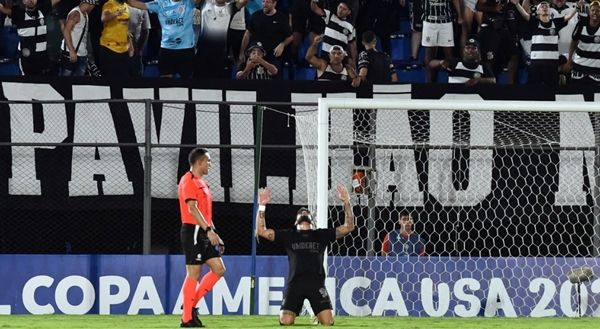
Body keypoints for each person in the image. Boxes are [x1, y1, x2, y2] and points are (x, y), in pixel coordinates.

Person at [255, 185, 355, 326]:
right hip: (295, 284)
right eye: (301, 212)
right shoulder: (288, 235)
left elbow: (348, 227)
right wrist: (262, 206)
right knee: (285, 321)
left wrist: (346, 202)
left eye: (306, 212)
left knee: (328, 322)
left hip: (316, 284)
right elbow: (261, 231)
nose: (303, 212)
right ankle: (300, 309)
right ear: (296, 221)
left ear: (311, 220)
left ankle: (317, 312)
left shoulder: (320, 234)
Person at [177, 148, 226, 327]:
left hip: (204, 231)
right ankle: (186, 319)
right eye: (208, 161)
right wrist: (208, 230)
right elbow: (192, 209)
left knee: (219, 269)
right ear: (199, 162)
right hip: (194, 231)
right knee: (194, 273)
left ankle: (189, 306)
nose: (210, 164)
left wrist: (214, 232)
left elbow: (205, 212)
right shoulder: (188, 180)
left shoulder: (202, 183)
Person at [512, 0, 577, 86]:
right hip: (536, 65)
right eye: (542, 6)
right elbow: (525, 14)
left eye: (546, 6)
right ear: (538, 11)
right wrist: (517, 4)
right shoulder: (534, 22)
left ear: (550, 10)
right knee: (534, 91)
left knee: (551, 90)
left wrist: (577, 8)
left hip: (552, 65)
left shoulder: (556, 23)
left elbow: (568, 17)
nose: (544, 7)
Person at [127, 0, 198, 78]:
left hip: (186, 49)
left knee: (187, 84)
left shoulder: (188, 2)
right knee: (165, 85)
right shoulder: (160, 3)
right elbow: (140, 5)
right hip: (167, 50)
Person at [0, 0, 63, 76]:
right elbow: (3, 9)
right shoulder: (19, 14)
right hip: (27, 59)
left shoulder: (42, 10)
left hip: (43, 57)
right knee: (27, 82)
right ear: (23, 1)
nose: (31, 1)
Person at [239, 0, 293, 78]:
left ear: (274, 3)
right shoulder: (256, 16)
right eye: (263, 1)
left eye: (267, 2)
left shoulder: (282, 18)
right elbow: (247, 34)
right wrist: (242, 52)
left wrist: (282, 44)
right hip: (256, 54)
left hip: (273, 57)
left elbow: (290, 36)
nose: (264, 4)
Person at [421, 0, 463, 82]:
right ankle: (429, 83)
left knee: (449, 56)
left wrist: (460, 15)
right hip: (429, 21)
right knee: (429, 56)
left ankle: (453, 80)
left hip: (446, 21)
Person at [310, 0, 357, 68]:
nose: (340, 10)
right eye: (340, 7)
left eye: (344, 9)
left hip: (340, 60)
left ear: (349, 12)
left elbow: (353, 46)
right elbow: (315, 9)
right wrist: (313, 1)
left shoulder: (351, 27)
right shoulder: (330, 16)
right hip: (325, 57)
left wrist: (354, 62)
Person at [429, 37, 496, 84]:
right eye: (468, 48)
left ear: (478, 51)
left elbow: (493, 80)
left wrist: (479, 81)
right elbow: (431, 64)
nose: (470, 51)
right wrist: (441, 62)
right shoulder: (455, 62)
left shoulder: (482, 66)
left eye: (473, 48)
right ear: (463, 50)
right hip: (453, 97)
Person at [59, 0, 97, 76]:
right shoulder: (75, 14)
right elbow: (66, 31)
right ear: (90, 4)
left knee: (78, 83)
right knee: (64, 82)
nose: (93, 7)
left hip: (81, 55)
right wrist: (72, 51)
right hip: (71, 54)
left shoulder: (85, 14)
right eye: (93, 5)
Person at [567, 0, 600, 85]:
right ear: (589, 11)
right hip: (579, 68)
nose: (595, 13)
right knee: (576, 96)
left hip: (596, 70)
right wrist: (569, 59)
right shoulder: (582, 23)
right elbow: (574, 42)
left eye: (598, 11)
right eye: (592, 10)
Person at [99, 0, 132, 77]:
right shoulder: (109, 4)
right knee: (109, 78)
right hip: (109, 48)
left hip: (124, 49)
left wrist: (131, 46)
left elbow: (126, 28)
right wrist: (117, 13)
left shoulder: (126, 6)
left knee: (123, 79)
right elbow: (104, 18)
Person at [128, 5, 151, 77]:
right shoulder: (115, 6)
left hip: (136, 52)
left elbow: (146, 31)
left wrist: (139, 50)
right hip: (119, 50)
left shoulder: (141, 8)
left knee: (137, 81)